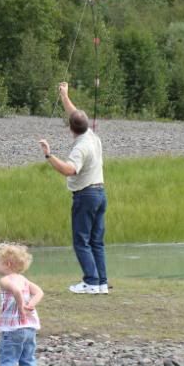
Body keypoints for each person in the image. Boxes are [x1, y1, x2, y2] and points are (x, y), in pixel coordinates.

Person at [38, 81, 108, 294]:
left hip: (86, 196)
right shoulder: (91, 136)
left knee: (81, 241)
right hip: (100, 194)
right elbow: (76, 114)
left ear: (70, 129)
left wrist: (49, 155)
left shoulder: (81, 147)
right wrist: (64, 96)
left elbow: (69, 170)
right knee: (96, 241)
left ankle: (90, 282)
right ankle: (101, 283)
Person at [0, 242, 44, 366]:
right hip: (29, 327)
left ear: (7, 264)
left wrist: (21, 306)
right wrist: (31, 305)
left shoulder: (5, 280)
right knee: (27, 359)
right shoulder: (24, 279)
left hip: (13, 328)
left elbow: (15, 291)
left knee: (7, 360)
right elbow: (40, 292)